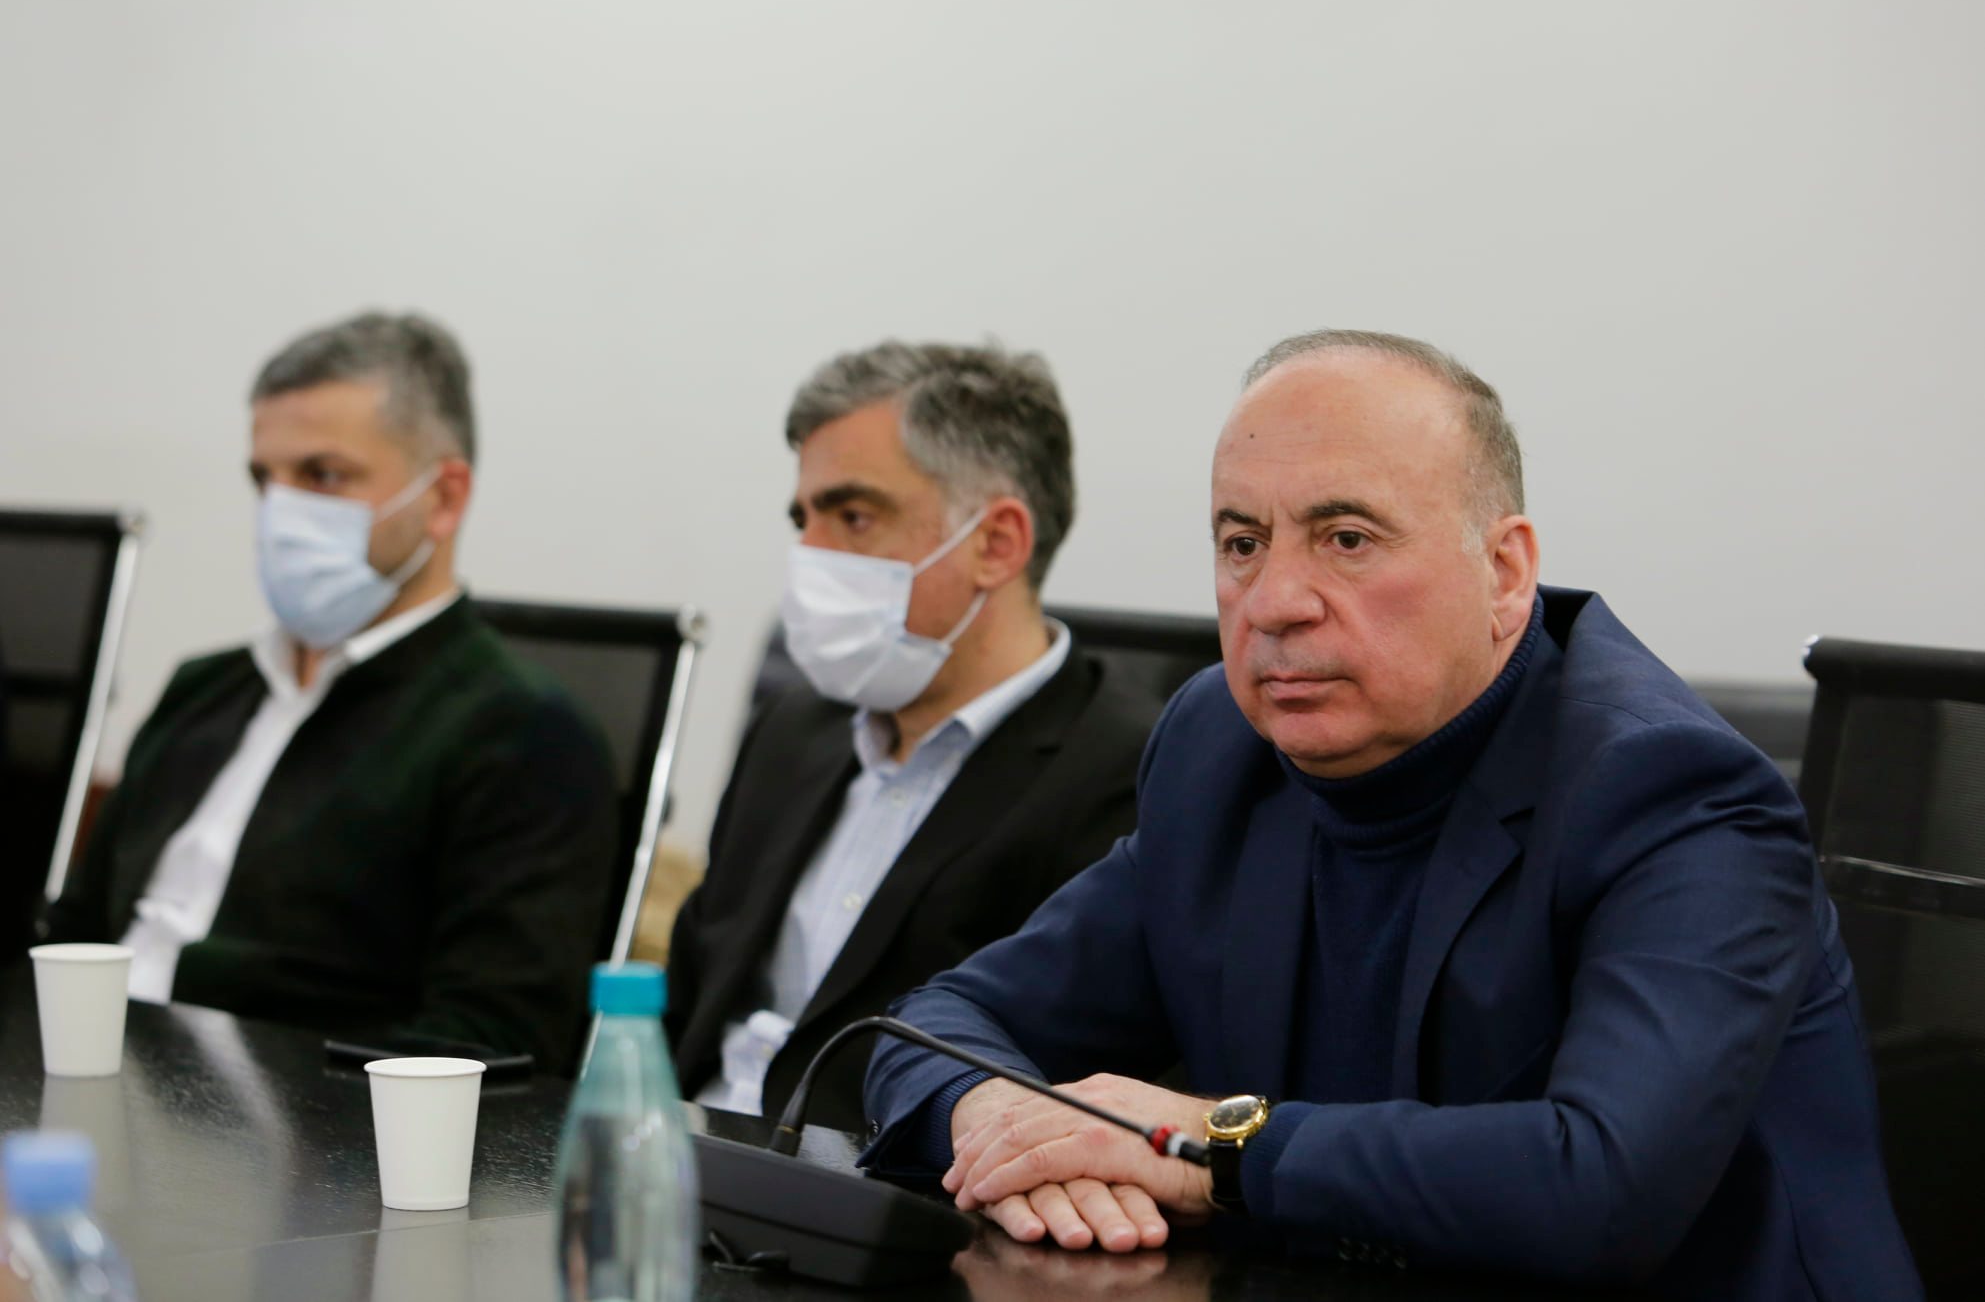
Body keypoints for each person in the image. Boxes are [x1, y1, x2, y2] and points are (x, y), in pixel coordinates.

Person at [862, 330, 1920, 1300]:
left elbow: (1596, 1187)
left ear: (1503, 572)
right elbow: (934, 1021)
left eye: (1346, 537)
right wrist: (1005, 1124)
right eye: (1241, 541)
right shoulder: (1220, 749)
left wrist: (1202, 1146)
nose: (1275, 600)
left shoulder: (1672, 791)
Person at [45, 311, 618, 1071]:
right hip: (75, 1074)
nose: (279, 513)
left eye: (322, 476)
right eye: (264, 479)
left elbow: (487, 1040)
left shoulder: (522, 733)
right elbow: (73, 935)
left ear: (443, 498)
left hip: (276, 1122)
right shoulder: (204, 688)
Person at [665, 341, 1169, 1133]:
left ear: (996, 543)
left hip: (872, 1190)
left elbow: (1069, 1090)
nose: (809, 555)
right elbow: (687, 1003)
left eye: (853, 516)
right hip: (678, 1153)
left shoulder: (1130, 775)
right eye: (804, 519)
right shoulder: (792, 730)